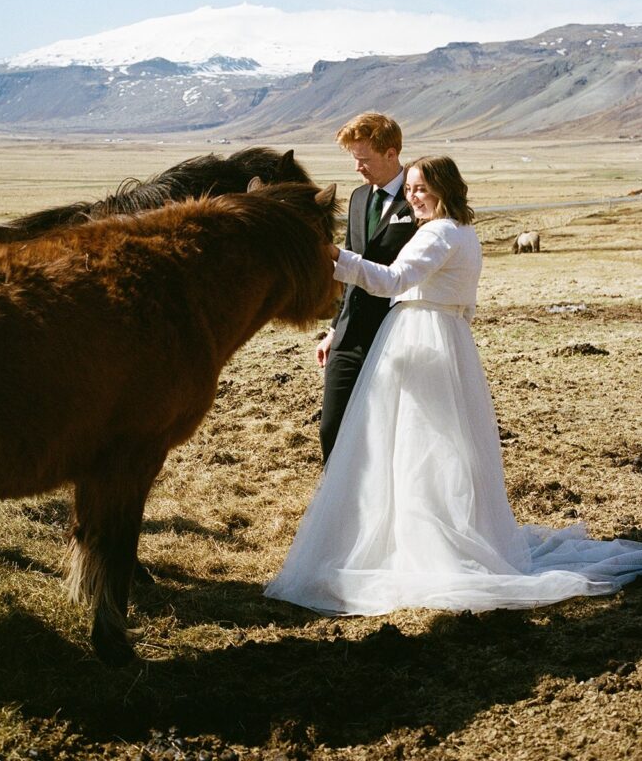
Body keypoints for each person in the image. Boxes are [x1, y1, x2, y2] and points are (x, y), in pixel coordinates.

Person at [266, 156, 642, 615]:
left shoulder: (439, 233)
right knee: (430, 441)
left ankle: (420, 542)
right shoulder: (462, 232)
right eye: (410, 190)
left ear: (445, 188)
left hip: (422, 339)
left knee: (418, 440)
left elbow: (392, 280)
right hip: (443, 337)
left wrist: (334, 257)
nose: (413, 196)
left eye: (421, 189)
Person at [316, 113, 416, 462]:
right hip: (349, 334)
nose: (358, 168)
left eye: (364, 159)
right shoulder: (358, 198)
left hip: (396, 334)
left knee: (386, 433)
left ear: (392, 153)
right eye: (354, 159)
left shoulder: (417, 201)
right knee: (332, 429)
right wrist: (332, 329)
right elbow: (348, 269)